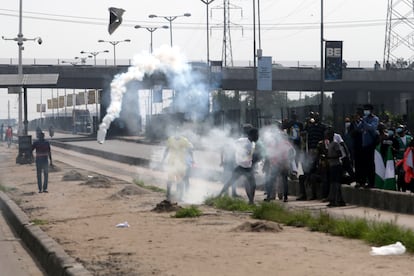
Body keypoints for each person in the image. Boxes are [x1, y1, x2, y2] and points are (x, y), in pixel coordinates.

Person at [219, 127, 259, 205]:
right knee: (230, 182)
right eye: (256, 135)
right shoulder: (242, 141)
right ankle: (219, 195)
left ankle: (251, 201)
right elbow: (231, 144)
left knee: (253, 185)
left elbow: (250, 155)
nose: (257, 137)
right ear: (251, 135)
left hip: (248, 168)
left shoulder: (253, 143)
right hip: (241, 167)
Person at [162, 133, 194, 201]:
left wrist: (191, 159)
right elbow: (166, 150)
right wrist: (163, 159)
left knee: (180, 180)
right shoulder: (170, 139)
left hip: (181, 163)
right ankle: (168, 194)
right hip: (172, 163)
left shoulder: (184, 140)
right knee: (170, 179)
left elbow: (190, 149)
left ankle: (180, 196)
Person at [355, 104, 379, 189]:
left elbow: (372, 128)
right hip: (364, 145)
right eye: (365, 109)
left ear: (371, 110)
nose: (365, 111)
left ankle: (372, 182)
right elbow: (358, 128)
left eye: (367, 109)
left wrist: (364, 122)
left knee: (370, 164)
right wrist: (358, 120)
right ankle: (363, 182)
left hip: (371, 144)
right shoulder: (364, 118)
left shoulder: (375, 119)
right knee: (364, 164)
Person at [325, 129, 346, 207]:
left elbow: (339, 154)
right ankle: (334, 200)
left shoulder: (335, 144)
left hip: (336, 165)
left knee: (336, 184)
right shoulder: (329, 144)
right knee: (333, 184)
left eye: (328, 134)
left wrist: (330, 157)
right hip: (332, 166)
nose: (326, 136)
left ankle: (338, 201)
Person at [395, 125, 413, 192]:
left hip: (408, 160)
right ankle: (400, 189)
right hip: (400, 160)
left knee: (408, 175)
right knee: (400, 176)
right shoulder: (396, 139)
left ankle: (408, 188)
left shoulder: (409, 138)